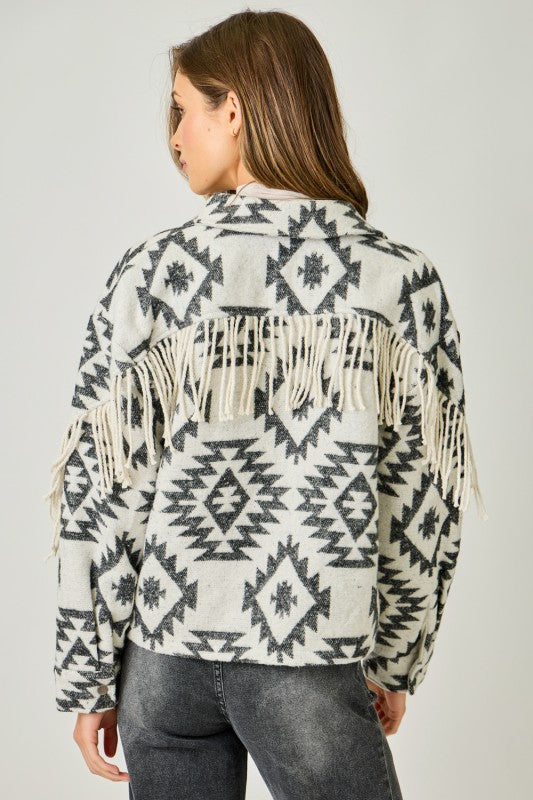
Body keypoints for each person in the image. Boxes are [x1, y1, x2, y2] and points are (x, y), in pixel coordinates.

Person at [43, 8, 488, 799]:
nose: (173, 136)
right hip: (306, 658)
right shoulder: (395, 281)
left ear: (234, 112)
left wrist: (89, 676)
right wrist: (393, 658)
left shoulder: (151, 274)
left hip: (163, 661)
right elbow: (423, 499)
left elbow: (101, 491)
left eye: (182, 109)